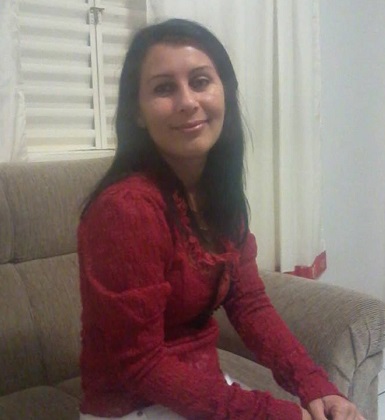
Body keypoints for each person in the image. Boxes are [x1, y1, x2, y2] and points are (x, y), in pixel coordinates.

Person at [77, 18, 365, 420]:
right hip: (133, 406)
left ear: (224, 92)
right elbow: (140, 364)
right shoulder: (127, 209)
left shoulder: (216, 192)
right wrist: (272, 414)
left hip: (198, 388)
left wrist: (314, 385)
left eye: (200, 81)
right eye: (164, 88)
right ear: (137, 113)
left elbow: (249, 305)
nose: (187, 101)